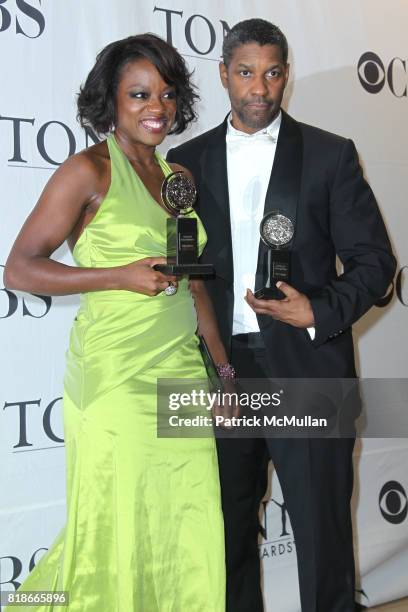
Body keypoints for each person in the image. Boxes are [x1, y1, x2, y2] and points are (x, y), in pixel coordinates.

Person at [167, 18, 396, 612]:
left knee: (323, 536)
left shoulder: (329, 154)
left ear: (286, 76)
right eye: (245, 73)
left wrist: (317, 310)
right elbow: (181, 274)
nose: (259, 89)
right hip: (218, 374)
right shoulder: (181, 163)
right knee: (222, 537)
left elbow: (376, 264)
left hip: (310, 369)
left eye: (271, 74)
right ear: (223, 75)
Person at [4, 34, 227, 612]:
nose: (159, 107)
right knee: (118, 533)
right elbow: (19, 269)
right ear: (111, 100)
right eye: (140, 94)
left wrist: (222, 370)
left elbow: (194, 281)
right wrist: (116, 275)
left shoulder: (177, 176)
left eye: (168, 94)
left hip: (181, 375)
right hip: (115, 380)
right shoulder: (87, 171)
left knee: (186, 523)